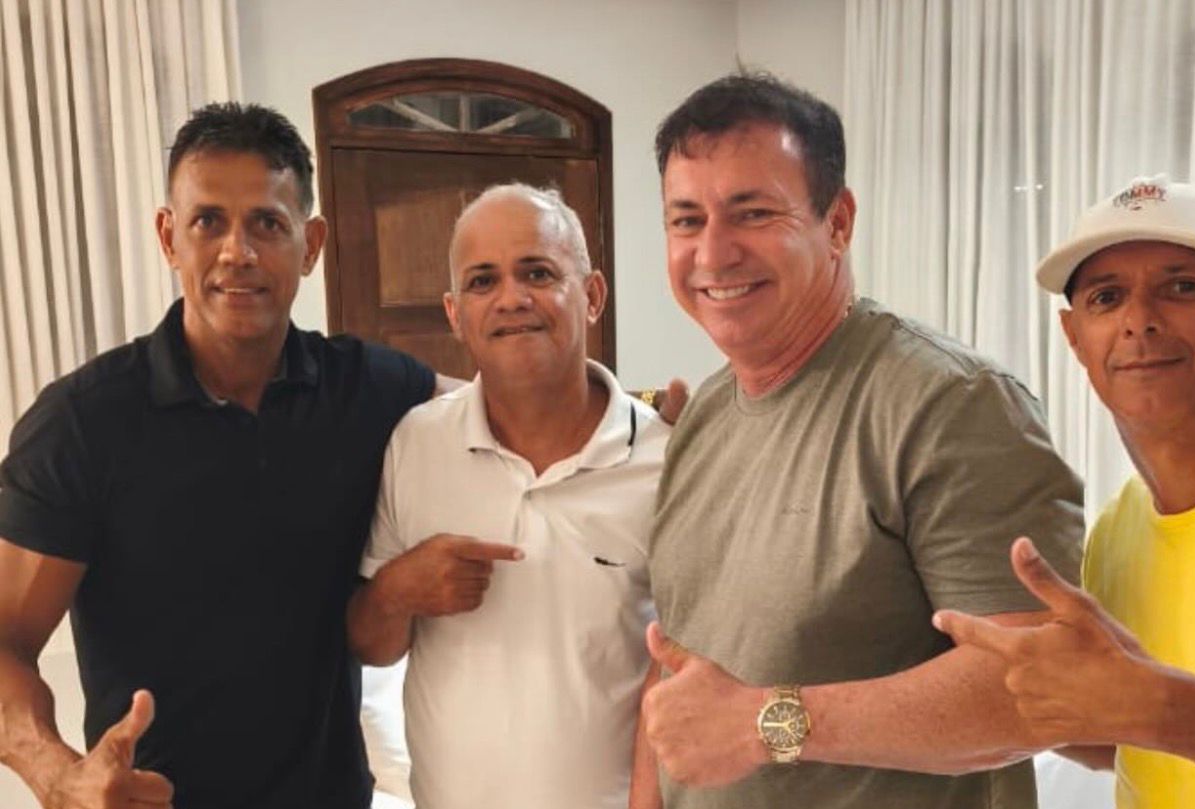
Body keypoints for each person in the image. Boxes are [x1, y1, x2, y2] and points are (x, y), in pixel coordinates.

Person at [639, 72, 1085, 809]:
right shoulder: (706, 413)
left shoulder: (952, 404)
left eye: (752, 213)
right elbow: (675, 676)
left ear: (838, 223)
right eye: (686, 221)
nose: (712, 254)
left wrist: (765, 724)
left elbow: (1038, 689)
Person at [0, 103, 438, 808]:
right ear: (168, 237)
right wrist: (56, 775)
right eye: (208, 221)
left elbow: (505, 413)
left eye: (267, 223)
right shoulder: (82, 423)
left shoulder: (369, 389)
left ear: (311, 244)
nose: (238, 251)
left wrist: (630, 415)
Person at [935, 176, 1195, 806]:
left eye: (1183, 287)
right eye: (1107, 297)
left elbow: (1160, 716)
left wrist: (1159, 706)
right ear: (1074, 337)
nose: (1139, 321)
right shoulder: (1117, 529)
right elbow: (1134, 743)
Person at [346, 183, 669, 809]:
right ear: (454, 313)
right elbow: (374, 646)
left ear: (593, 295)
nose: (512, 298)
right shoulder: (415, 444)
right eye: (483, 281)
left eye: (538, 273)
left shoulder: (665, 460)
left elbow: (683, 669)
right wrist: (396, 590)